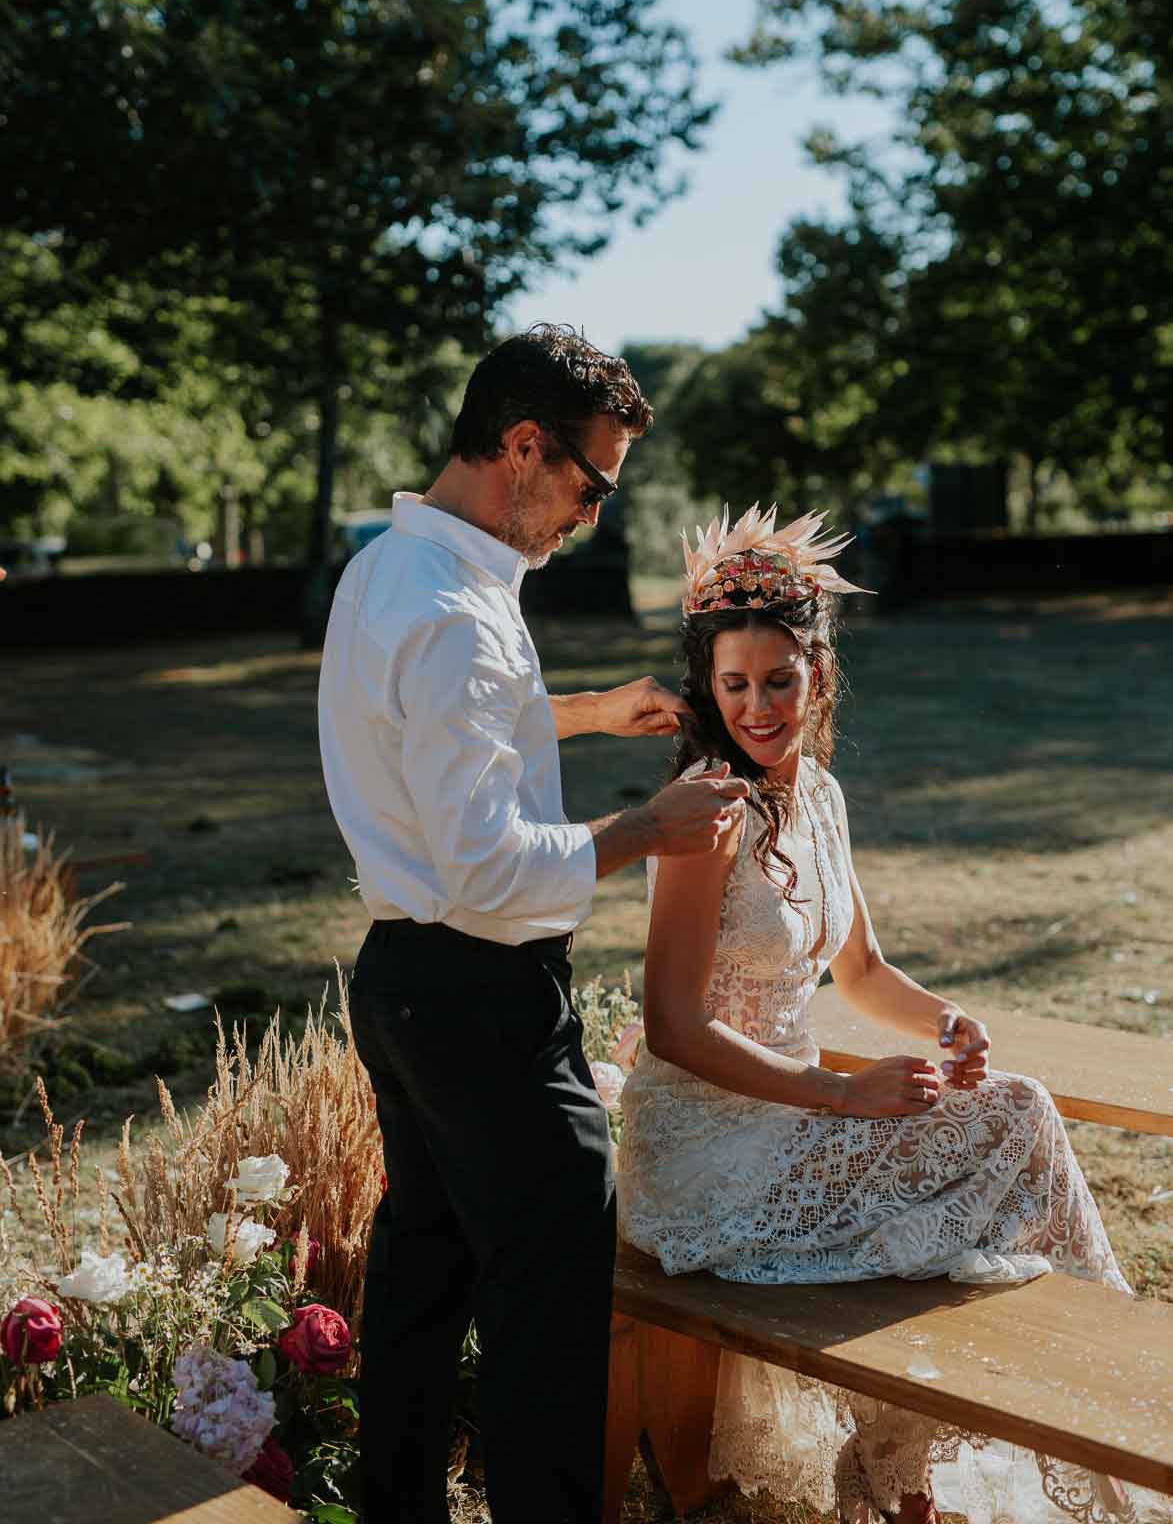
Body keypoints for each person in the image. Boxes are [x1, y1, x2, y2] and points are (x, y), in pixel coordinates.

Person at [618, 502, 1156, 1524]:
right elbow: (675, 1026)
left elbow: (860, 970)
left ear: (818, 672)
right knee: (1016, 1126)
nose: (759, 705)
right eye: (734, 684)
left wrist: (943, 1019)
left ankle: (918, 1462)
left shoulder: (818, 792)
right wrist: (842, 1090)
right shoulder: (704, 808)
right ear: (707, 685)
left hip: (798, 1117)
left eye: (780, 678)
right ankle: (1058, 1452)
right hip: (704, 1154)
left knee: (1007, 1124)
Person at [317, 325, 749, 1524]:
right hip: (483, 994)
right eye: (590, 482)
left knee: (422, 1278)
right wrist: (644, 829)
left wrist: (580, 710)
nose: (591, 515)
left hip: (400, 982)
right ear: (521, 444)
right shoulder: (460, 609)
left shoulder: (388, 567)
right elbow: (488, 866)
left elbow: (429, 734)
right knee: (549, 1317)